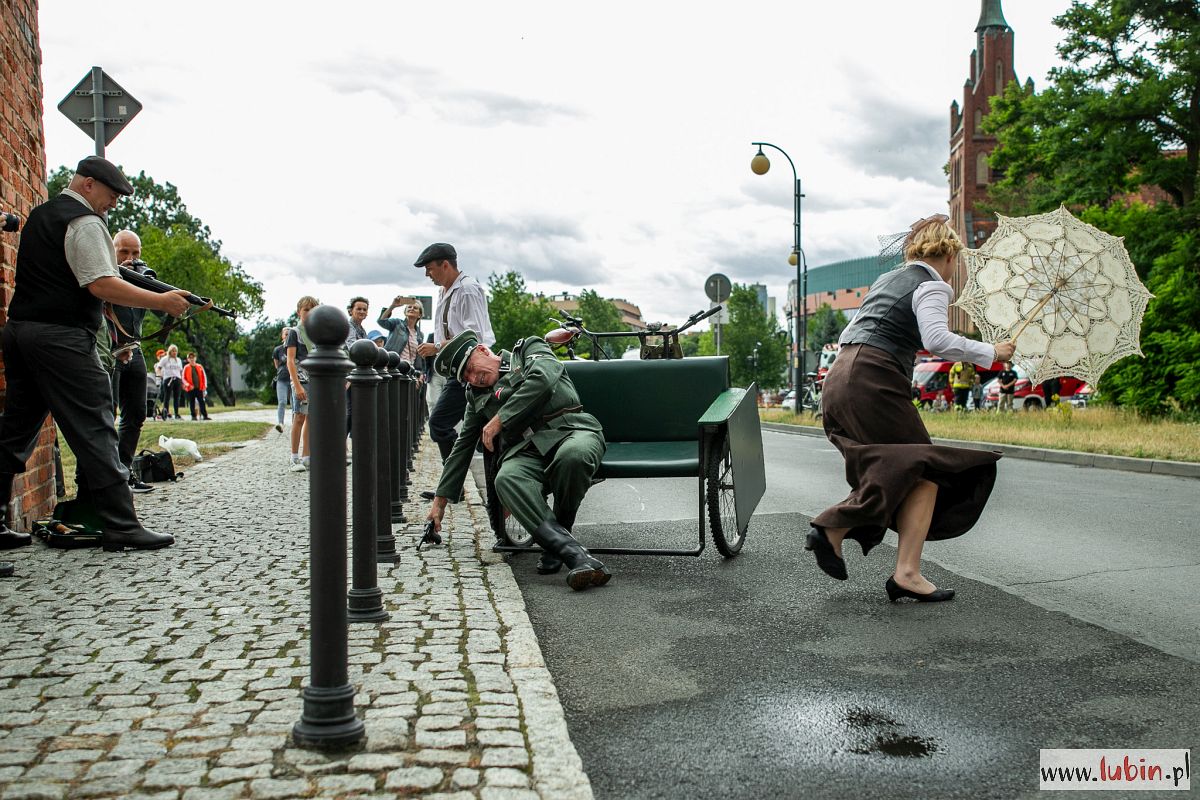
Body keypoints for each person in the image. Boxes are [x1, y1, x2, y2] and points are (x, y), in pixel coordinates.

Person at [805, 214, 1015, 602]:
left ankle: (883, 558)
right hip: (872, 379)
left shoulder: (890, 280)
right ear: (950, 256)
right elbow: (936, 339)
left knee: (906, 468)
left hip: (840, 377)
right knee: (924, 466)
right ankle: (881, 556)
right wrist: (992, 351)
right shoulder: (931, 285)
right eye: (957, 262)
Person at [0, 155, 190, 552]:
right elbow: (102, 283)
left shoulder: (42, 215)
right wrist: (163, 302)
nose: (114, 204)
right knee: (97, 425)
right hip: (62, 340)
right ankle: (121, 523)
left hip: (22, 332)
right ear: (88, 184)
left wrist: (160, 292)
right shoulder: (84, 222)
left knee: (15, 431)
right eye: (111, 194)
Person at [425, 330, 610, 591]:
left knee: (574, 457)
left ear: (481, 350)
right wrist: (439, 503)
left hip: (572, 430)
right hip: (527, 451)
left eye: (468, 368)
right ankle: (574, 554)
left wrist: (499, 420)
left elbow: (543, 380)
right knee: (508, 478)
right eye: (464, 377)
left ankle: (558, 541)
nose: (471, 378)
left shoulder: (528, 350)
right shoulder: (475, 397)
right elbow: (462, 447)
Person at [412, 244, 495, 467]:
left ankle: (453, 482)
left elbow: (474, 337)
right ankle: (454, 486)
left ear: (445, 265)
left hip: (472, 369)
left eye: (429, 268)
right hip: (459, 371)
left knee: (439, 423)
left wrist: (436, 347)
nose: (427, 274)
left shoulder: (467, 289)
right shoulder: (445, 291)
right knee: (476, 430)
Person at [108, 229, 155, 492]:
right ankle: (108, 478)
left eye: (135, 253)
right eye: (124, 251)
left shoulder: (141, 278)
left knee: (137, 413)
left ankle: (124, 471)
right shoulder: (104, 276)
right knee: (108, 414)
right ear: (112, 250)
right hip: (109, 352)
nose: (130, 258)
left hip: (134, 349)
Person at [286, 296, 319, 471]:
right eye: (306, 310)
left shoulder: (317, 333)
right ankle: (294, 457)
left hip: (314, 380)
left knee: (311, 418)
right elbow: (290, 361)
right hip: (300, 379)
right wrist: (297, 385)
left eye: (313, 310)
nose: (309, 313)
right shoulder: (294, 332)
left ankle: (307, 456)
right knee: (299, 416)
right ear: (299, 312)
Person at [156, 344, 184, 419]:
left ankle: (176, 413)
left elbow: (181, 371)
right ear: (170, 351)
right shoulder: (165, 359)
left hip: (177, 378)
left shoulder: (178, 360)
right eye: (173, 351)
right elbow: (158, 368)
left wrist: (182, 381)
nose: (174, 352)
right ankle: (166, 412)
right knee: (167, 397)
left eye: (175, 351)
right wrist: (159, 375)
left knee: (177, 397)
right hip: (168, 379)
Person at [181, 352, 210, 420]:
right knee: (192, 402)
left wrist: (205, 385)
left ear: (195, 358)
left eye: (193, 357)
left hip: (199, 387)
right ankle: (193, 416)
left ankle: (204, 415)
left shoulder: (199, 366)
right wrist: (187, 384)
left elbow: (204, 376)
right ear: (188, 359)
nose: (192, 359)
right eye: (190, 358)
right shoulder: (186, 367)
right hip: (191, 388)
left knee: (201, 402)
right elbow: (183, 377)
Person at [272, 328, 291, 432]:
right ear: (282, 336)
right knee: (282, 402)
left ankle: (296, 424)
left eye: (290, 334)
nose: (288, 336)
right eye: (286, 334)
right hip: (282, 379)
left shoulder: (296, 347)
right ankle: (280, 423)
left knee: (295, 404)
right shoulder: (277, 350)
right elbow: (277, 365)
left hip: (294, 379)